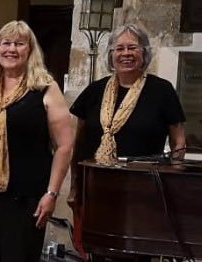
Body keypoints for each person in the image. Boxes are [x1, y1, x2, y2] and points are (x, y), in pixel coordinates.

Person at [0, 20, 75, 262]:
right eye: (6, 43)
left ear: (30, 50)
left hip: (25, 196)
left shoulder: (44, 87)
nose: (11, 49)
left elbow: (64, 146)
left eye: (19, 44)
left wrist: (52, 193)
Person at [68, 25, 186, 199]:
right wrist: (74, 186)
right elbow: (77, 145)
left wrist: (173, 183)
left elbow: (179, 142)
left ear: (144, 53)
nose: (126, 54)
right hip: (93, 187)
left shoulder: (162, 90)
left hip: (143, 190)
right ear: (111, 55)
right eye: (119, 48)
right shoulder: (94, 91)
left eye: (132, 48)